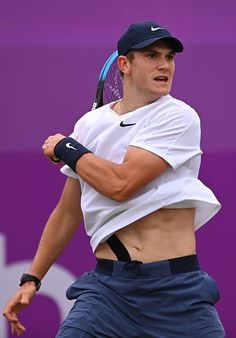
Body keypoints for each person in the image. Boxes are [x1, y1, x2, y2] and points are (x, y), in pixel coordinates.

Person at [3, 20, 225, 337]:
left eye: (170, 57)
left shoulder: (179, 116)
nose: (164, 65)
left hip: (178, 294)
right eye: (152, 55)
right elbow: (67, 211)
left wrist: (65, 147)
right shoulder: (90, 125)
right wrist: (32, 279)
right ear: (125, 64)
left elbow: (120, 185)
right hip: (108, 293)